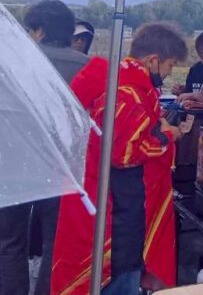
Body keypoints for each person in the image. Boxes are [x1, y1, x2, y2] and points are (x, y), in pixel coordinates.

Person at [51, 22, 187, 295]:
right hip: (118, 209)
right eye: (170, 65)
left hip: (110, 198)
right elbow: (124, 154)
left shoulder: (120, 82)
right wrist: (167, 135)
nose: (169, 72)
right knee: (118, 277)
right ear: (153, 60)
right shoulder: (127, 92)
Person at [0, 0, 88, 295]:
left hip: (13, 165)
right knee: (55, 241)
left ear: (38, 30)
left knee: (9, 242)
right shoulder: (85, 66)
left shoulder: (13, 64)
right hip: (65, 167)